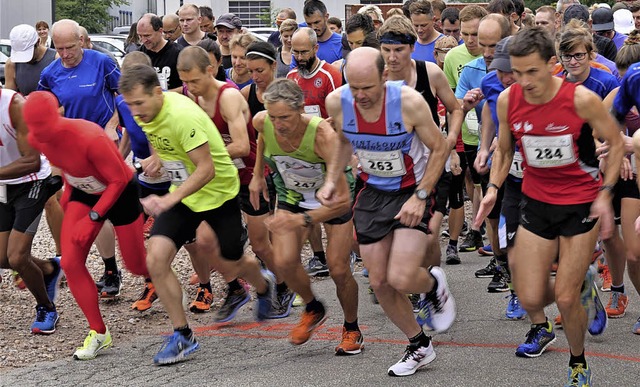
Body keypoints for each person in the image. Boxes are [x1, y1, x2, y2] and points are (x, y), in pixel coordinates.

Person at [474, 27, 622, 385]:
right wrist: (493, 187)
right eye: (517, 72)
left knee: (567, 298)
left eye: (532, 72)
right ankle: (581, 286)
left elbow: (615, 144)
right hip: (536, 202)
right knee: (529, 295)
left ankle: (577, 362)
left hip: (579, 204)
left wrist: (604, 194)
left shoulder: (580, 99)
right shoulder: (510, 99)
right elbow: (506, 150)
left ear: (552, 65)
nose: (524, 81)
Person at [119, 63, 275, 365]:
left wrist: (168, 199)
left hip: (218, 193)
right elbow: (163, 143)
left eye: (139, 103)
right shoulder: (149, 111)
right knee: (156, 258)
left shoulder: (181, 117)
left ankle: (264, 284)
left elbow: (207, 169)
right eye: (129, 105)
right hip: (186, 196)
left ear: (156, 92)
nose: (135, 111)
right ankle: (183, 335)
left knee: (231, 259)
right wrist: (157, 160)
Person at [325, 47, 455, 376]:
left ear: (385, 76)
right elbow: (342, 140)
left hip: (412, 191)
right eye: (353, 87)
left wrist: (422, 195)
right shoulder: (337, 102)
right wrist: (331, 179)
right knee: (380, 282)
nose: (360, 95)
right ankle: (419, 345)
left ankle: (433, 285)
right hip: (372, 194)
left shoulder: (409, 102)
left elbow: (440, 147)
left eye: (367, 87)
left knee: (400, 276)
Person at [23, 90, 149, 360]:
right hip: (84, 193)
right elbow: (65, 167)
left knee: (136, 265)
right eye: (36, 129)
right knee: (70, 261)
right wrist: (69, 201)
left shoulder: (89, 136)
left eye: (45, 127)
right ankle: (99, 331)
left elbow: (116, 181)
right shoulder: (37, 137)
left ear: (59, 114)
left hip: (120, 192)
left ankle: (160, 276)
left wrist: (94, 217)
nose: (41, 135)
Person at [250, 78, 361, 354]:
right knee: (284, 262)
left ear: (301, 109)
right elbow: (263, 136)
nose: (279, 124)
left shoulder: (323, 135)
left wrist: (302, 220)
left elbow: (343, 200)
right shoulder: (262, 121)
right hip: (293, 195)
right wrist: (257, 176)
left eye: (285, 117)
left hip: (332, 196)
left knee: (338, 269)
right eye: (274, 117)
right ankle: (313, 307)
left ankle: (351, 327)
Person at [38, 19, 124, 299]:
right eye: (59, 48)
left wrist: (113, 125)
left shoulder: (101, 62)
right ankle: (108, 270)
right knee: (90, 208)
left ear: (82, 41)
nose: (64, 54)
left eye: (70, 47)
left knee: (107, 207)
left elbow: (123, 97)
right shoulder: (51, 73)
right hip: (74, 152)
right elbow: (47, 111)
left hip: (104, 144)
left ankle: (122, 269)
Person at [0, 86, 63, 336]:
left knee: (16, 257)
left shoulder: (14, 105)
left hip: (32, 182)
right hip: (4, 184)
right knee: (2, 258)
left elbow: (32, 161)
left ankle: (46, 308)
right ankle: (49, 269)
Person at [3, 24, 63, 261]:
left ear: (39, 42)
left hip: (50, 129)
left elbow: (63, 100)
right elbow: (8, 99)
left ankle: (61, 255)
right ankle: (14, 254)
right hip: (25, 133)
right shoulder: (12, 64)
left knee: (51, 197)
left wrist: (43, 117)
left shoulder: (53, 58)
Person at [442, 5, 488, 256]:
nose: (470, 40)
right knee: (470, 179)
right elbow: (451, 104)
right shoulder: (453, 57)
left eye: (476, 34)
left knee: (485, 182)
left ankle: (483, 229)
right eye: (465, 34)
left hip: (490, 135)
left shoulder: (496, 56)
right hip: (465, 134)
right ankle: (476, 228)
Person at [137, 13, 184, 91]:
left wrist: (164, 95)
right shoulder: (138, 55)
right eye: (140, 36)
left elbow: (187, 87)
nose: (143, 40)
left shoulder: (179, 53)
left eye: (147, 36)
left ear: (160, 31)